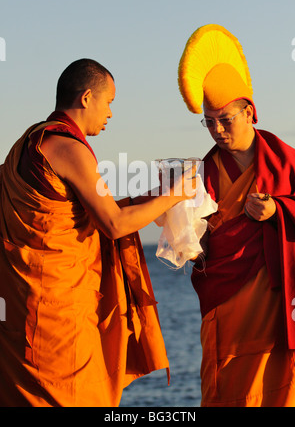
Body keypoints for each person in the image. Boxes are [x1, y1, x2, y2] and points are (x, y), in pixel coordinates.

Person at [0, 58, 197, 407]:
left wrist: (152, 199)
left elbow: (84, 211)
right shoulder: (67, 148)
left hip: (20, 306)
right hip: (58, 315)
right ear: (88, 97)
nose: (110, 114)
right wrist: (177, 194)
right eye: (109, 103)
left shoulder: (25, 144)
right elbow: (113, 224)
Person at [178, 24, 295, 407]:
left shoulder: (287, 163)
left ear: (249, 112)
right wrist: (189, 244)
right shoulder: (202, 173)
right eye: (208, 121)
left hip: (276, 312)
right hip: (227, 310)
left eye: (225, 119)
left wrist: (278, 209)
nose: (216, 130)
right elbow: (193, 241)